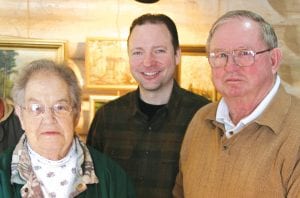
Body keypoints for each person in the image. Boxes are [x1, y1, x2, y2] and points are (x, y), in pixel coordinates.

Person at [172, 10, 300, 198]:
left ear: (274, 60)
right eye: (220, 55)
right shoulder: (200, 120)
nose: (230, 66)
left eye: (244, 53)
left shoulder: (295, 131)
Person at [87, 13, 210, 198]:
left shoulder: (204, 116)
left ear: (177, 55)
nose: (148, 62)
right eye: (138, 52)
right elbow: (90, 184)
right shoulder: (107, 117)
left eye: (159, 50)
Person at [0, 59, 136, 198]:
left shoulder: (112, 177)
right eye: (36, 108)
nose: (48, 119)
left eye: (60, 107)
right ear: (21, 116)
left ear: (76, 114)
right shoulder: (2, 176)